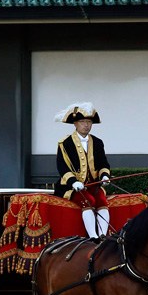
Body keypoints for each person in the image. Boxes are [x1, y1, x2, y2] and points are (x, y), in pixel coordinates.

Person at [53, 102, 112, 238]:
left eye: (89, 121)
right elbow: (62, 167)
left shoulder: (98, 142)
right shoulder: (65, 143)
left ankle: (103, 236)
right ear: (75, 124)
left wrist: (104, 176)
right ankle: (93, 237)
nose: (86, 125)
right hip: (71, 187)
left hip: (93, 185)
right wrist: (73, 182)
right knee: (88, 200)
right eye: (82, 121)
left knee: (102, 200)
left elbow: (103, 163)